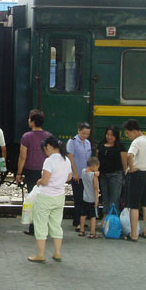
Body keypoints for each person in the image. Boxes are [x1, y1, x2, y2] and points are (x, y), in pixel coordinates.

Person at [28, 136, 72, 264]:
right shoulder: (66, 159)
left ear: (48, 147)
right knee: (56, 225)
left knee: (41, 225)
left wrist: (39, 181)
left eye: (44, 149)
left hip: (45, 197)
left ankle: (40, 254)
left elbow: (45, 181)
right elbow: (69, 177)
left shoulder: (49, 160)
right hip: (59, 197)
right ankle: (57, 253)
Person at [15, 109, 51, 235]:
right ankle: (44, 227)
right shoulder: (48, 136)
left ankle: (33, 227)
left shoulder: (26, 137)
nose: (28, 120)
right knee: (44, 199)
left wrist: (19, 173)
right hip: (45, 171)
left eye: (29, 118)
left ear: (33, 121)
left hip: (31, 171)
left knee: (32, 197)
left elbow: (22, 157)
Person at [97, 125, 127, 219]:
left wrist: (126, 176)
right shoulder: (101, 145)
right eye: (108, 134)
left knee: (114, 199)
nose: (109, 137)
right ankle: (105, 219)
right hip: (103, 175)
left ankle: (114, 220)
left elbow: (124, 163)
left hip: (116, 175)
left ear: (116, 136)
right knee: (105, 199)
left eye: (112, 135)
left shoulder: (120, 146)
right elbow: (97, 160)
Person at [67, 122, 92, 231]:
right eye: (83, 133)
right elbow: (70, 157)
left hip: (85, 175)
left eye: (87, 134)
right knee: (78, 199)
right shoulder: (72, 141)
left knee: (84, 198)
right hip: (77, 175)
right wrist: (75, 172)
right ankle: (77, 222)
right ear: (78, 131)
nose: (85, 136)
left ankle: (80, 220)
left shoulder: (87, 143)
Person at [78, 157, 100, 238]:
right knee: (92, 216)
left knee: (83, 214)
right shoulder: (94, 176)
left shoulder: (83, 172)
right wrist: (97, 199)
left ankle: (81, 230)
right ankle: (92, 232)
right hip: (92, 198)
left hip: (85, 197)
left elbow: (87, 172)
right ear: (94, 166)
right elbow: (95, 188)